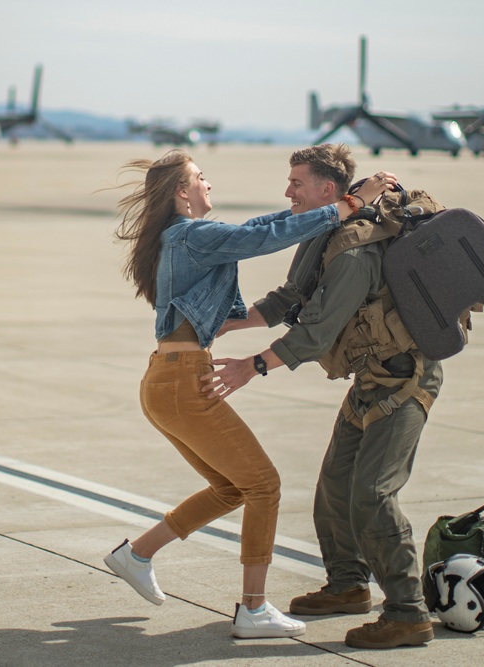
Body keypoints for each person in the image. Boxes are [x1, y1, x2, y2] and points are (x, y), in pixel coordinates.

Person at [103, 149, 394, 640]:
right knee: (264, 486)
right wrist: (344, 208)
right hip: (181, 382)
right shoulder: (191, 235)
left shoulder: (188, 237)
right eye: (200, 178)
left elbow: (265, 226)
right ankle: (254, 609)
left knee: (233, 488)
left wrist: (327, 209)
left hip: (171, 378)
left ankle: (137, 554)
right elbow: (260, 237)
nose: (208, 185)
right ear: (181, 191)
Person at [202, 143, 442, 649]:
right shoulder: (321, 233)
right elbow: (291, 297)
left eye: (296, 183)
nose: (288, 191)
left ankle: (407, 611)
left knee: (371, 496)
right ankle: (348, 586)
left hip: (404, 381)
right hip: (369, 382)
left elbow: (313, 334)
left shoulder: (353, 252)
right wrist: (230, 324)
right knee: (334, 492)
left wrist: (253, 366)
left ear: (327, 189)